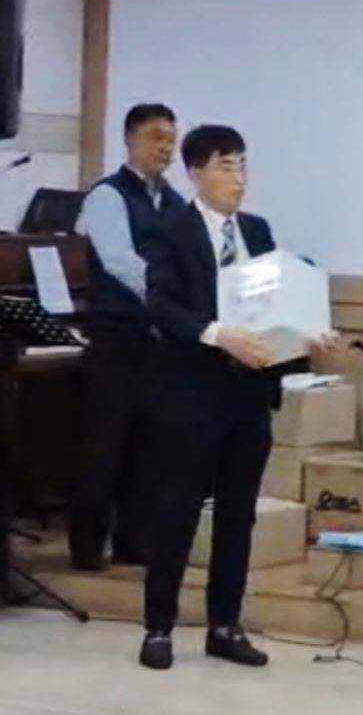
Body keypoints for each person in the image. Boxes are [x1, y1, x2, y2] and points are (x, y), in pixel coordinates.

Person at [136, 123, 336, 671]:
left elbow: (275, 305)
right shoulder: (169, 230)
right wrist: (218, 334)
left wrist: (307, 333)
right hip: (192, 394)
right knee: (178, 512)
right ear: (196, 172)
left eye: (243, 165)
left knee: (238, 514)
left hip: (248, 395)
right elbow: (160, 305)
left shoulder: (256, 230)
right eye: (226, 166)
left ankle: (225, 625)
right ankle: (158, 627)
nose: (239, 179)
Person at [69, 102, 187, 572]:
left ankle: (135, 540)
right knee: (106, 445)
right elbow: (118, 260)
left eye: (171, 139)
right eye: (157, 137)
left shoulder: (175, 203)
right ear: (130, 138)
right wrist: (164, 296)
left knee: (150, 446)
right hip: (116, 338)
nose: (166, 148)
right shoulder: (108, 196)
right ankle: (87, 545)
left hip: (160, 343)